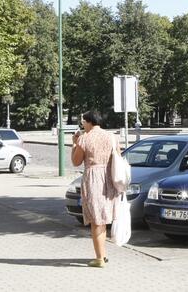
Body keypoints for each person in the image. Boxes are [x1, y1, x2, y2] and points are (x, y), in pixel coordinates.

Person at [71, 110, 120, 268]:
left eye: (83, 122)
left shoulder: (85, 138)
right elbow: (118, 158)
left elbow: (76, 161)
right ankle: (103, 255)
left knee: (96, 221)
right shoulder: (112, 137)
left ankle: (99, 258)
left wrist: (74, 143)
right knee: (104, 219)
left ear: (89, 122)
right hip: (109, 179)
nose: (82, 125)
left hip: (94, 179)